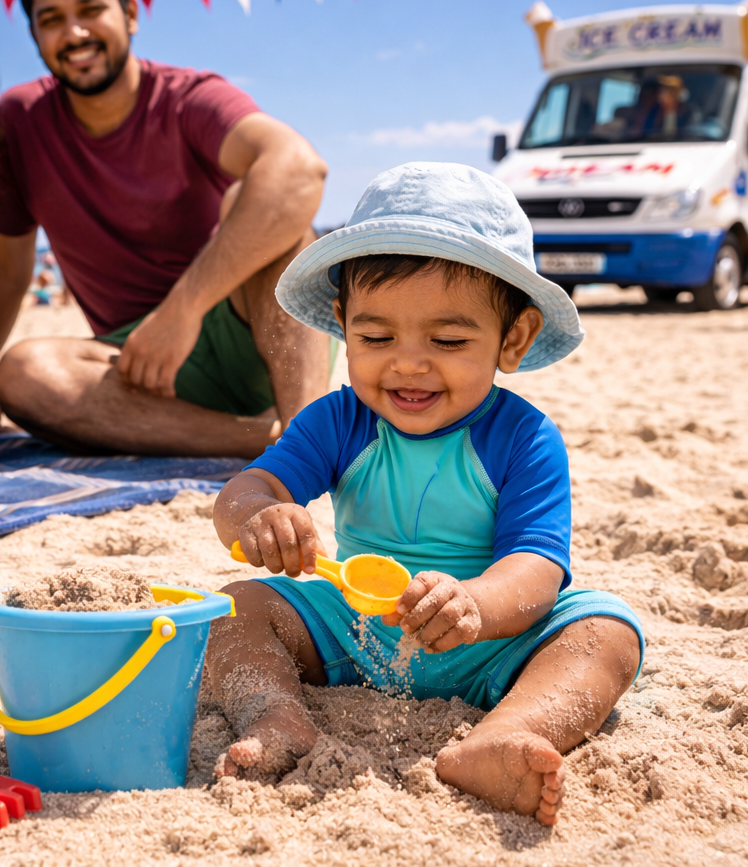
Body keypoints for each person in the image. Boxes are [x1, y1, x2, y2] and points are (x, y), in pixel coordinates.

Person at [203, 163, 644, 826]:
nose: (408, 362)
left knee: (606, 631)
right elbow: (246, 490)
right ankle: (277, 713)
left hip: (490, 641)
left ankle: (502, 735)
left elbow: (537, 569)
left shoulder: (524, 438)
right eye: (376, 337)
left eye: (448, 339)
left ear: (514, 338)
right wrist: (261, 516)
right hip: (352, 628)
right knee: (233, 608)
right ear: (342, 324)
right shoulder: (338, 420)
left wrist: (475, 603)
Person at [0, 0, 331, 458]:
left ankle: (308, 436)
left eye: (90, 10)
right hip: (135, 371)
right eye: (50, 19)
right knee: (24, 373)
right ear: (33, 33)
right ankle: (271, 443)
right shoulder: (19, 119)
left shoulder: (187, 97)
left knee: (266, 207)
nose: (73, 33)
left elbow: (300, 170)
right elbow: (5, 268)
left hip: (255, 337)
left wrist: (181, 312)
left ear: (131, 14)